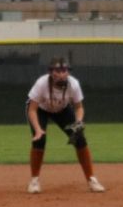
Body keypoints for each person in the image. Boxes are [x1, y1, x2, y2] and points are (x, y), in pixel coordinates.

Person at [25, 56, 106, 195]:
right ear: (51, 72)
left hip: (62, 109)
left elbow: (79, 107)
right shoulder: (42, 83)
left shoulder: (73, 84)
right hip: (40, 110)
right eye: (58, 70)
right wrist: (38, 130)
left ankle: (92, 180)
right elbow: (32, 109)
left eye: (65, 70)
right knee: (40, 139)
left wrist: (78, 123)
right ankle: (34, 181)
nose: (62, 73)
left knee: (79, 138)